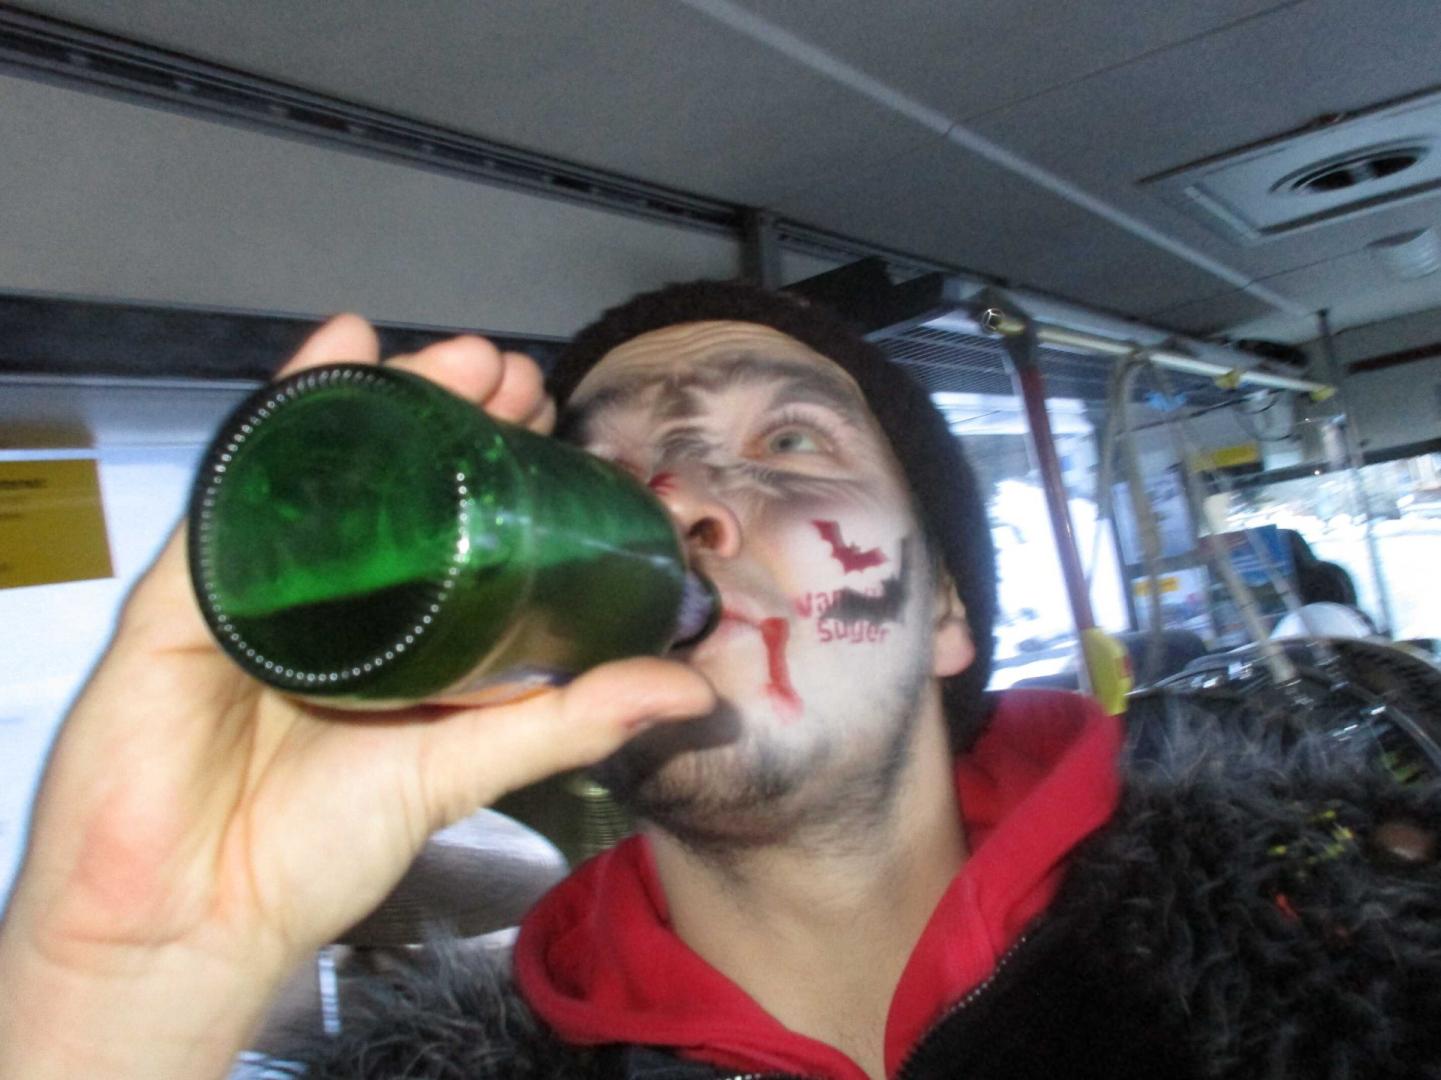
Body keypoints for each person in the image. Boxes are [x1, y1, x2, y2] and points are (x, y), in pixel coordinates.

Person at [1, 281, 1438, 1080]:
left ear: (948, 610)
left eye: (790, 445)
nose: (683, 502)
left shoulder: (1365, 953)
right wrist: (111, 993)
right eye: (611, 477)